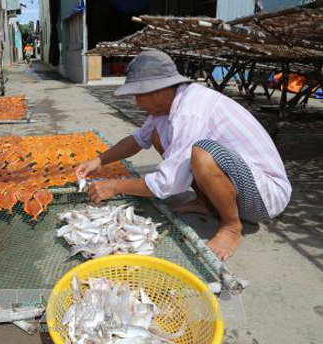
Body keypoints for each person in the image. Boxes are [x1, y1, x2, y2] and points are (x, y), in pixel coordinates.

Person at [75, 50, 291, 260]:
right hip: (239, 187)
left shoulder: (190, 112)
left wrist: (114, 186)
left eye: (138, 95)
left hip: (264, 197)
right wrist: (98, 160)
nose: (136, 102)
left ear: (158, 90)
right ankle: (206, 202)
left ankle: (231, 226)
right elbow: (138, 139)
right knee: (158, 134)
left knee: (201, 155)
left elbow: (167, 184)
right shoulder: (166, 106)